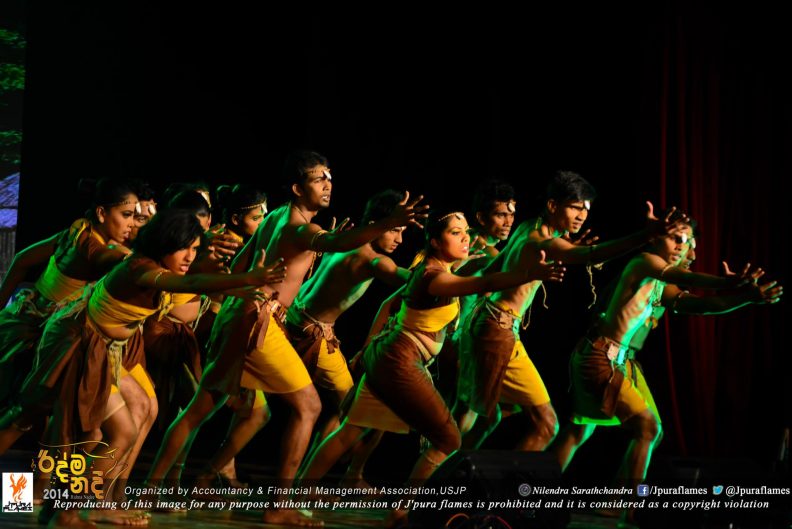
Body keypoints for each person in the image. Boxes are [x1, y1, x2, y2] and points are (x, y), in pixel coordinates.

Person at [146, 150, 427, 527]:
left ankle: (155, 489)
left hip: (243, 314)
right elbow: (337, 244)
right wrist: (387, 223)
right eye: (318, 178)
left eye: (329, 176)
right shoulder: (298, 227)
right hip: (257, 321)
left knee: (205, 407)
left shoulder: (277, 216)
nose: (328, 184)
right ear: (297, 188)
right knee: (308, 406)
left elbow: (244, 262)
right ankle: (280, 505)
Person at [298, 208, 565, 526]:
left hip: (389, 356)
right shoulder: (433, 277)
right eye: (455, 233)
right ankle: (403, 511)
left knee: (351, 430)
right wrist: (527, 274)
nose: (465, 238)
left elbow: (484, 269)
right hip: (399, 361)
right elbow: (486, 282)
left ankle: (297, 495)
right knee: (448, 439)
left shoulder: (439, 268)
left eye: (466, 231)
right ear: (436, 242)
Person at [455, 170, 687, 452]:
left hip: (494, 327)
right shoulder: (544, 242)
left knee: (492, 417)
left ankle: (459, 472)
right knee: (533, 423)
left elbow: (493, 269)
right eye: (575, 207)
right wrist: (645, 235)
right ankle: (456, 473)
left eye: (586, 210)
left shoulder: (528, 227)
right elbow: (592, 254)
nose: (582, 216)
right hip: (496, 330)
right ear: (553, 205)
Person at [552, 218, 782, 499]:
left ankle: (602, 499)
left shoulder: (661, 283)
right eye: (679, 240)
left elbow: (702, 305)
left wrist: (745, 297)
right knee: (646, 428)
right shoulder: (645, 262)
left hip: (619, 361)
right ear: (654, 238)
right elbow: (687, 278)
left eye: (690, 244)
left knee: (583, 431)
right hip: (601, 356)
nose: (686, 250)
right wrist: (729, 282)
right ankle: (625, 505)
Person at [286, 189, 409, 486]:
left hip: (294, 322)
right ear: (377, 224)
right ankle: (309, 483)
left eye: (403, 232)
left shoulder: (345, 240)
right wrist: (451, 269)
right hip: (312, 335)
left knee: (346, 409)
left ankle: (329, 477)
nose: (400, 240)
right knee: (354, 412)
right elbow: (415, 281)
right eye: (395, 230)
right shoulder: (371, 259)